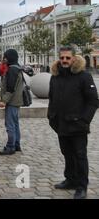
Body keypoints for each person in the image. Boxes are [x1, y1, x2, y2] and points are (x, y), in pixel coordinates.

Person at [48, 46, 98, 199]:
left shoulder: (84, 77)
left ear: (74, 59)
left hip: (78, 125)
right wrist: (51, 116)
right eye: (62, 57)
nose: (64, 60)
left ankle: (81, 186)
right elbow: (51, 97)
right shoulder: (55, 76)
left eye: (67, 58)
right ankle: (70, 179)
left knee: (80, 155)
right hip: (61, 124)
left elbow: (93, 101)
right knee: (67, 153)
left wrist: (84, 120)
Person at [0, 49, 24, 155]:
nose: (4, 59)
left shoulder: (12, 70)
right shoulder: (17, 68)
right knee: (15, 124)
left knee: (10, 125)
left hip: (12, 102)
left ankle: (10, 146)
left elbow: (10, 88)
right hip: (16, 101)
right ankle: (16, 144)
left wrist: (4, 100)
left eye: (6, 57)